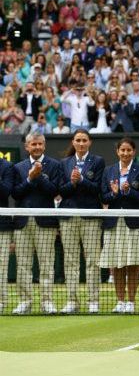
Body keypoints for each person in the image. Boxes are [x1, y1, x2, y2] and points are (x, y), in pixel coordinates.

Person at [11, 132, 63, 314]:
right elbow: (16, 193)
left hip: (45, 222)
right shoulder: (18, 167)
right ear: (27, 147)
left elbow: (54, 191)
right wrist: (30, 178)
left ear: (44, 145)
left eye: (40, 144)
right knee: (23, 265)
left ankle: (47, 302)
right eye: (33, 144)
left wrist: (38, 176)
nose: (37, 147)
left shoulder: (55, 165)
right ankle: (25, 301)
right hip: (22, 222)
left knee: (46, 264)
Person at [100, 138, 139, 314]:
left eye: (128, 150)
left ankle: (131, 301)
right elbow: (104, 197)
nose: (125, 153)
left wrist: (129, 191)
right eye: (122, 150)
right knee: (117, 264)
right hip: (114, 223)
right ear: (118, 152)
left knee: (133, 264)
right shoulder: (109, 171)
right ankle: (120, 301)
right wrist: (114, 194)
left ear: (133, 152)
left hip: (135, 223)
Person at [58, 129, 105, 314]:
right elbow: (62, 189)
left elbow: (98, 190)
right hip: (68, 216)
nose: (81, 143)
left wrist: (82, 180)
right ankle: (72, 301)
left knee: (93, 260)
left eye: (84, 140)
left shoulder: (98, 161)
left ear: (89, 142)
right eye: (78, 140)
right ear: (73, 142)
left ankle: (93, 301)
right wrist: (73, 182)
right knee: (70, 261)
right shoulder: (65, 163)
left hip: (90, 216)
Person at [0, 156, 13, 314]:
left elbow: (6, 192)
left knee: (1, 267)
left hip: (1, 225)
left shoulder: (7, 166)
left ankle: (1, 302)